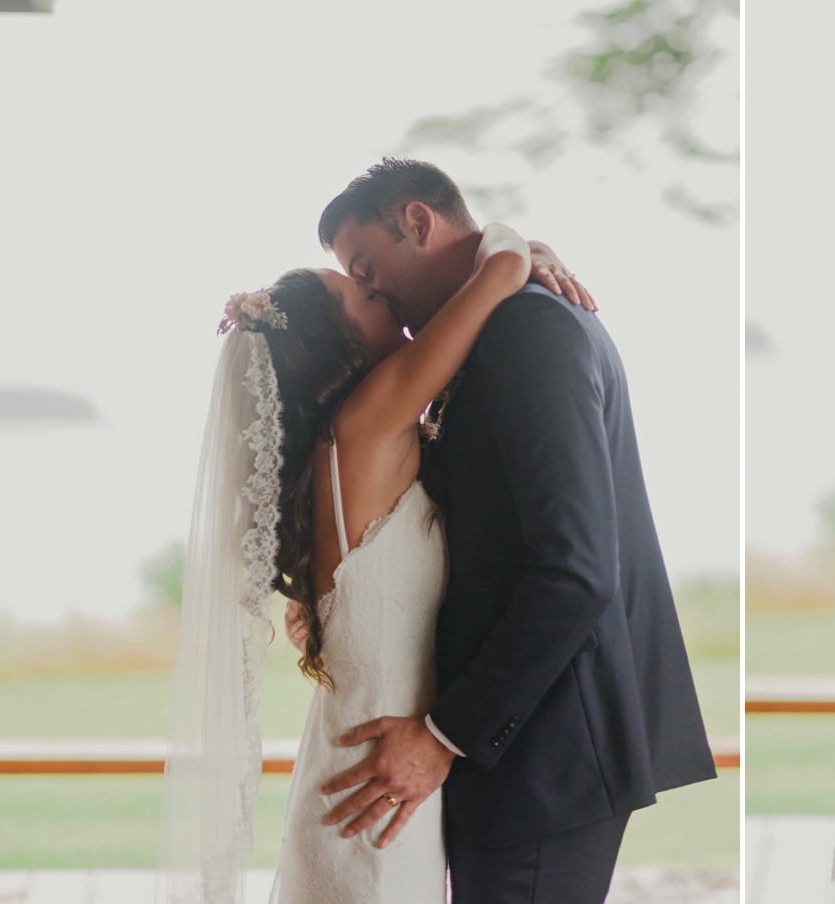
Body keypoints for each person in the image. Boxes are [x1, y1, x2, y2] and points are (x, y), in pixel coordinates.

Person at [157, 187, 595, 903]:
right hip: (376, 787)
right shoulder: (367, 422)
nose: (372, 288)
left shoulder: (351, 443)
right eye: (353, 290)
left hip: (368, 773)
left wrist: (508, 264)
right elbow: (499, 274)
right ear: (343, 341)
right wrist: (514, 244)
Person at [312, 159, 716, 904]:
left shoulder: (527, 330)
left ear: (419, 222)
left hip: (545, 749)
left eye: (368, 269)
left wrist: (444, 736)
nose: (374, 293)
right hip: (520, 743)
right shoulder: (494, 325)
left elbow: (577, 570)